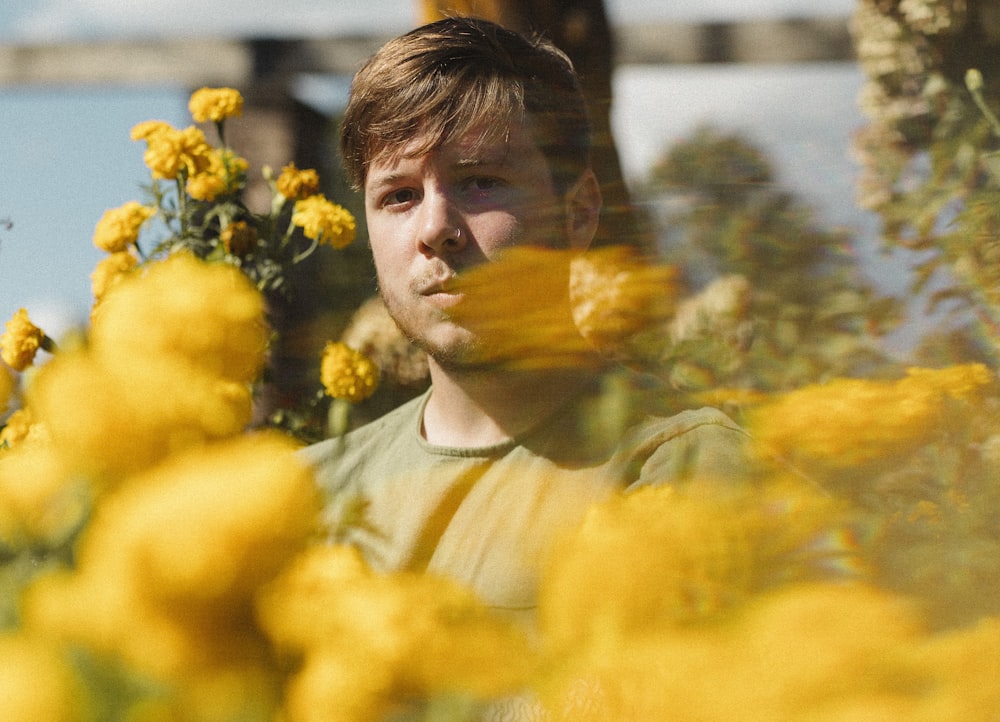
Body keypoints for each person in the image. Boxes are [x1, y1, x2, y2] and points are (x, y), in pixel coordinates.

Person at [301, 16, 750, 622]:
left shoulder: (679, 468)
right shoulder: (306, 497)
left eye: (480, 181)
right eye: (399, 196)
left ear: (580, 212)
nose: (436, 228)